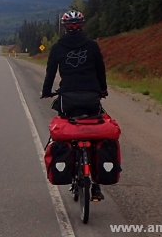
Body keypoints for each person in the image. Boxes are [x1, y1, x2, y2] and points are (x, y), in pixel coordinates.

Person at [41, 10, 108, 200]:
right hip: (91, 97)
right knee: (95, 133)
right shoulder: (92, 46)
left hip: (68, 98)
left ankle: (70, 167)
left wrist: (46, 92)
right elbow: (100, 71)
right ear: (82, 25)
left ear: (64, 27)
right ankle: (95, 185)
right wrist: (102, 90)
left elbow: (50, 73)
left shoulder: (58, 47)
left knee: (66, 130)